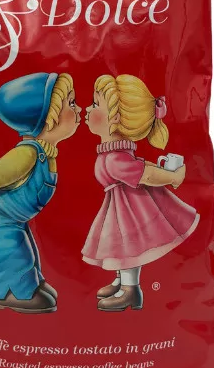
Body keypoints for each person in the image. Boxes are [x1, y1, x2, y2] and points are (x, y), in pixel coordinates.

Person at [82, 74, 199, 312]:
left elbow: (146, 173)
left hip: (131, 212)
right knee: (119, 246)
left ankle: (130, 289)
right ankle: (121, 280)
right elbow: (144, 169)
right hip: (121, 209)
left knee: (128, 247)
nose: (87, 109)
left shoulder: (115, 159)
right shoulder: (112, 154)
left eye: (95, 104)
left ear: (115, 118)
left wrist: (173, 177)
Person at [0, 72, 79, 313]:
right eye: (71, 103)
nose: (78, 109)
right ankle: (6, 291)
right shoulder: (28, 152)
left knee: (27, 245)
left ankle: (31, 284)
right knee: (12, 248)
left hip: (14, 213)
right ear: (47, 118)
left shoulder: (44, 151)